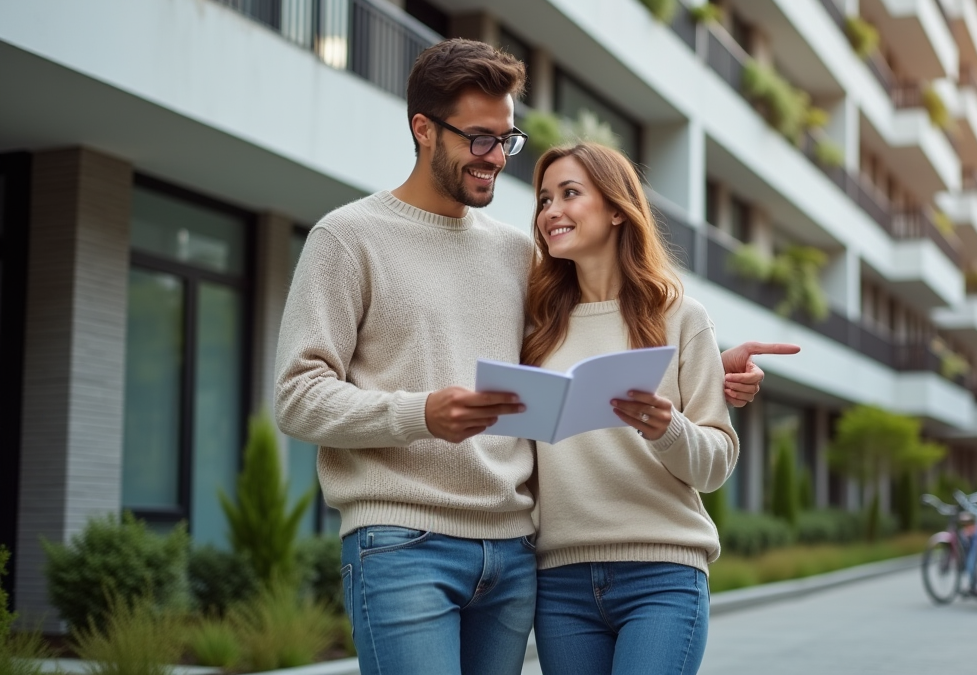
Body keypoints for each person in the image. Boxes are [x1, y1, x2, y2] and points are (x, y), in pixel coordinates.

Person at [274, 38, 795, 675]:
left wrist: (708, 363)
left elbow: (600, 337)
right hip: (403, 542)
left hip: (515, 554)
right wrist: (422, 414)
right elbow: (297, 397)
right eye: (480, 139)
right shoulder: (347, 237)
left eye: (506, 139)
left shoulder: (520, 261)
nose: (496, 159)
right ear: (424, 130)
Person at [525, 143, 736, 675]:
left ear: (617, 208)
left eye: (570, 194)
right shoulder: (536, 329)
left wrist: (669, 429)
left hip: (662, 574)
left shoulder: (682, 317)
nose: (552, 211)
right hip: (560, 581)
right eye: (544, 199)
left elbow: (715, 463)